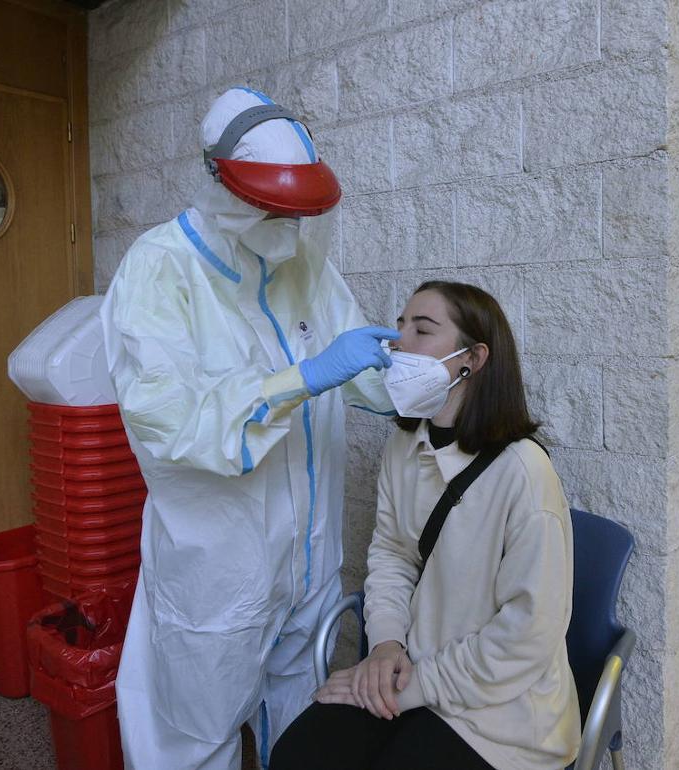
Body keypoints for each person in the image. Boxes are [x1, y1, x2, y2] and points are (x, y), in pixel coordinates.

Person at [100, 86, 399, 770]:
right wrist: (304, 377)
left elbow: (355, 363)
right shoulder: (160, 270)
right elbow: (175, 424)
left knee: (297, 715)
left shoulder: (304, 266)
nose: (286, 225)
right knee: (195, 734)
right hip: (221, 569)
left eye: (299, 211)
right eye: (270, 205)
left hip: (309, 555)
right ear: (216, 180)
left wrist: (414, 381)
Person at [270, 282, 580, 769]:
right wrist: (386, 646)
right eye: (399, 327)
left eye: (422, 330)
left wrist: (410, 686)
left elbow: (528, 634)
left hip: (502, 715)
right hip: (410, 674)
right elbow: (393, 555)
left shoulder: (524, 473)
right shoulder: (405, 448)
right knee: (295, 755)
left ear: (471, 359)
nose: (398, 344)